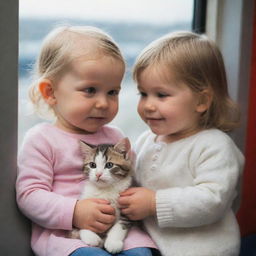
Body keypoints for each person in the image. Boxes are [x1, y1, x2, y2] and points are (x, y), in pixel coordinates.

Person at [16, 26, 157, 256]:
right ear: (50, 92)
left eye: (113, 92)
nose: (103, 103)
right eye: (90, 90)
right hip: (68, 236)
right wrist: (75, 212)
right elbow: (29, 195)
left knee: (141, 253)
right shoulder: (41, 139)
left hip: (120, 228)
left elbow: (134, 177)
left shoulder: (114, 137)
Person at [118, 31, 245, 256]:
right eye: (143, 94)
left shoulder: (214, 145)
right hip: (154, 246)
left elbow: (212, 200)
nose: (148, 105)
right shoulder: (145, 140)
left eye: (161, 95)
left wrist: (154, 203)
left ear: (201, 101)